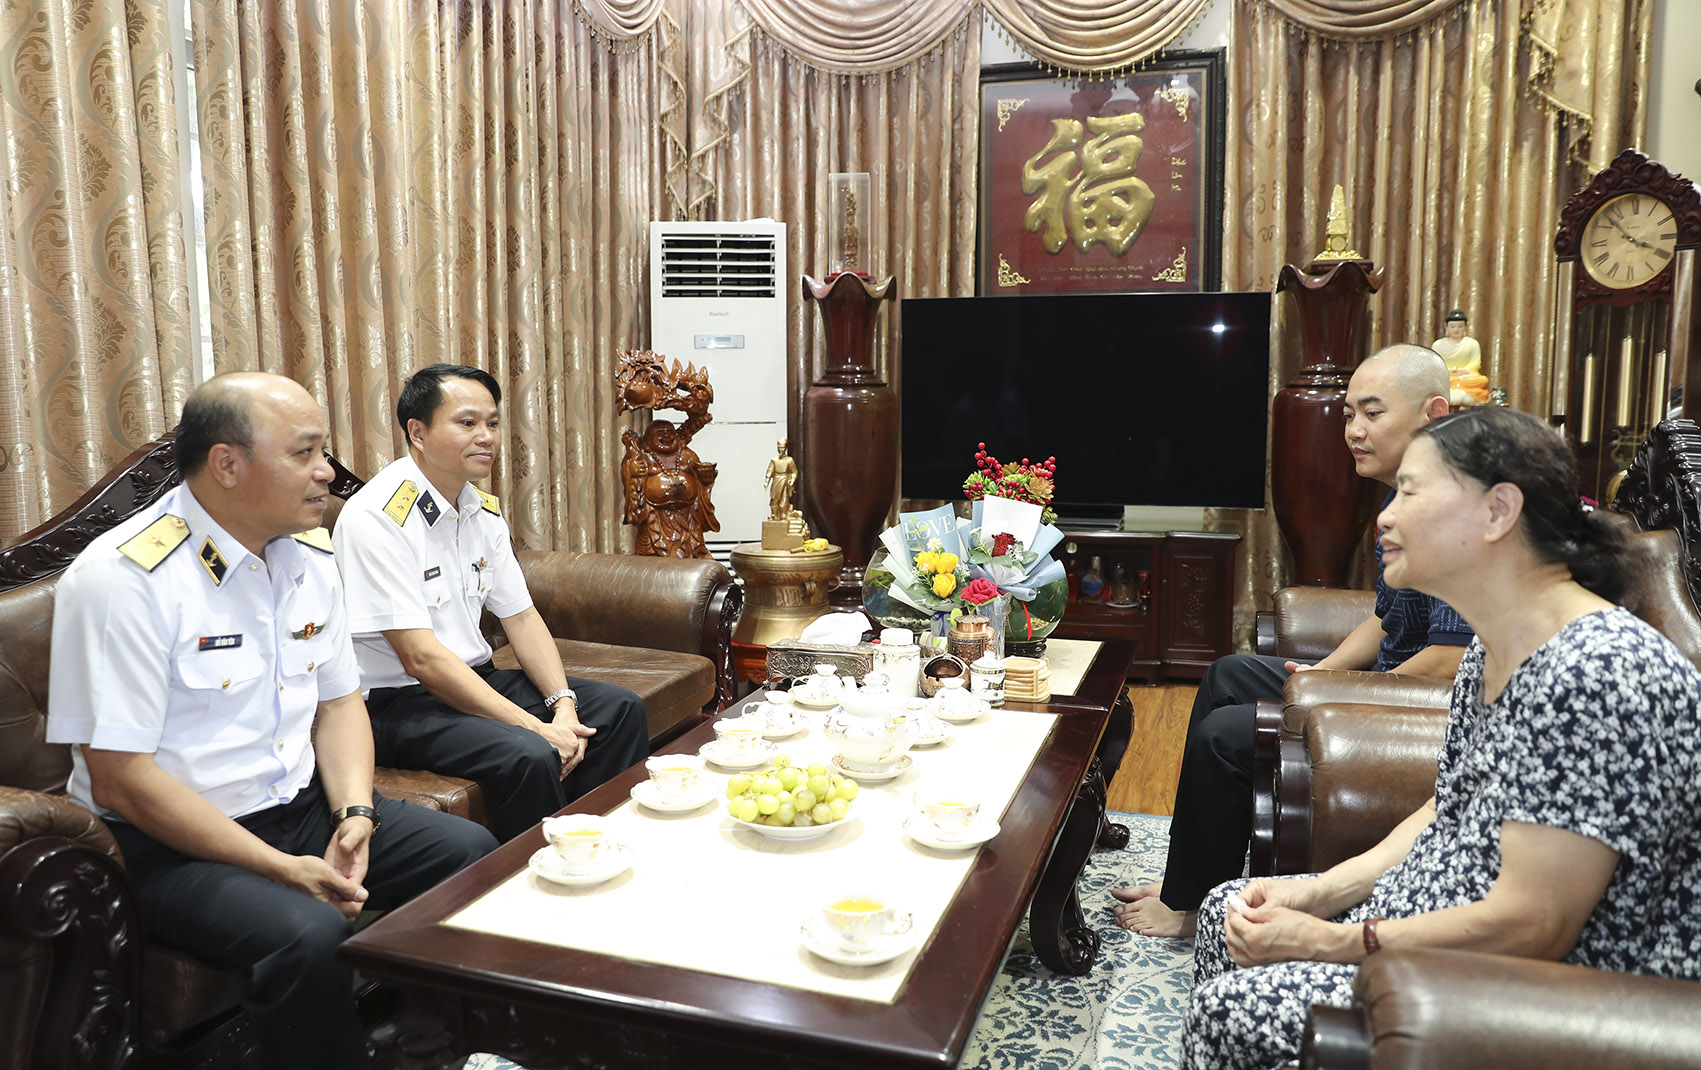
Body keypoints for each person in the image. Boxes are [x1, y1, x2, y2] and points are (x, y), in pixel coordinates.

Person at [1181, 405, 1701, 1069]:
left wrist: (1327, 942)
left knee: (1228, 1012)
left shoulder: (1598, 672)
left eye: (1410, 491)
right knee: (1226, 911)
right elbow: (1448, 807)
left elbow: (1534, 924)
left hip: (1539, 985)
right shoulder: (1494, 645)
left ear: (1497, 511)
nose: (1386, 516)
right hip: (1435, 913)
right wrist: (1320, 891)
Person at [44, 373, 497, 1070]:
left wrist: (354, 812)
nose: (328, 473)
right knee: (306, 933)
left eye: (323, 452)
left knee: (470, 855)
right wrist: (280, 869)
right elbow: (121, 779)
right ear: (227, 464)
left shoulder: (309, 555)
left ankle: (434, 1042)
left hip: (296, 806)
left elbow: (339, 702)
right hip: (166, 845)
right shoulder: (124, 579)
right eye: (304, 453)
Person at [1114, 344, 1473, 938]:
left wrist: (1336, 694)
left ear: (1433, 413)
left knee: (1223, 737)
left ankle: (1190, 910)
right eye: (1349, 415)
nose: (1353, 430)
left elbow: (1450, 660)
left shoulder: (1455, 505)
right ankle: (1191, 880)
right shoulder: (1404, 493)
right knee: (1227, 673)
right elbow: (1387, 619)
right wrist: (1318, 673)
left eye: (1373, 413)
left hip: (1411, 706)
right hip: (1380, 684)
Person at [333, 364, 649, 843]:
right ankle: (541, 870)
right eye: (467, 423)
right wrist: (535, 727)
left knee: (618, 710)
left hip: (475, 678)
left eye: (493, 423)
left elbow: (521, 617)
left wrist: (563, 706)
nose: (487, 437)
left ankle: (601, 844)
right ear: (417, 433)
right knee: (528, 752)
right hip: (399, 703)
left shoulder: (479, 509)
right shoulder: (377, 518)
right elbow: (420, 658)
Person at [1432, 308, 1489, 406]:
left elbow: (1476, 363)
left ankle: (1458, 389)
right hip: (1446, 377)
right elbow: (1435, 364)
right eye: (1452, 326)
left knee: (1482, 381)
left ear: (1465, 327)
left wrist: (1465, 371)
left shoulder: (1472, 343)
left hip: (1466, 377)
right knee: (1435, 382)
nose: (1456, 330)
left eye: (1460, 326)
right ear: (1446, 327)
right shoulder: (1438, 345)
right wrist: (1448, 372)